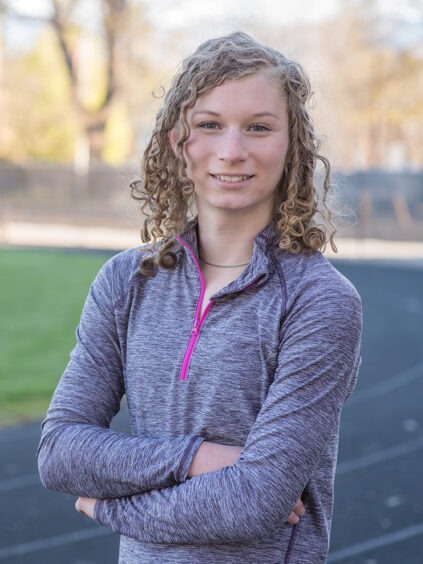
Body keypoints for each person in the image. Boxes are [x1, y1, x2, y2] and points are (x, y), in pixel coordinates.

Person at [37, 31, 362, 562]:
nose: (232, 152)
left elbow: (253, 502)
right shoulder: (125, 281)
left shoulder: (319, 301)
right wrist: (198, 458)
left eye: (258, 128)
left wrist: (104, 506)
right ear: (177, 143)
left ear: (291, 147)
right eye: (209, 125)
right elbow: (60, 453)